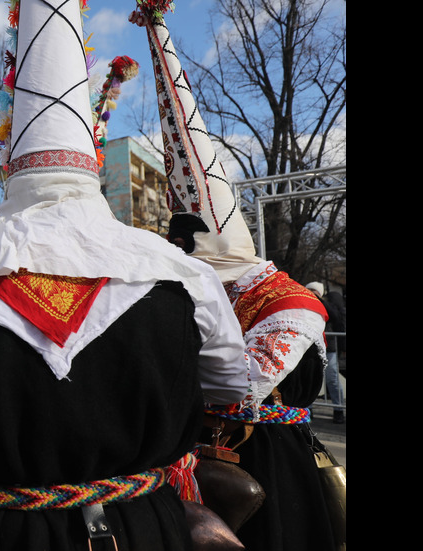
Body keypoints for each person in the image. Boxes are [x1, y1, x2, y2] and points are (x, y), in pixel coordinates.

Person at [0, 2, 249, 550]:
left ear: (13, 169)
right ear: (94, 169)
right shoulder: (184, 274)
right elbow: (230, 384)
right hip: (146, 528)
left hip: (6, 532)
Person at [131, 2, 339, 549]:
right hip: (198, 467)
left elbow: (242, 386)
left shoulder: (290, 303)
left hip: (269, 471)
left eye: (183, 250)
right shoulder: (194, 293)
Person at [307, 282, 346, 423]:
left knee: (332, 379)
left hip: (329, 347)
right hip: (310, 348)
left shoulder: (328, 304)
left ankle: (338, 410)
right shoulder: (305, 303)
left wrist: (319, 300)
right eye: (308, 290)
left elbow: (335, 317)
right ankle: (308, 408)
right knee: (310, 379)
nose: (310, 293)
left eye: (313, 290)